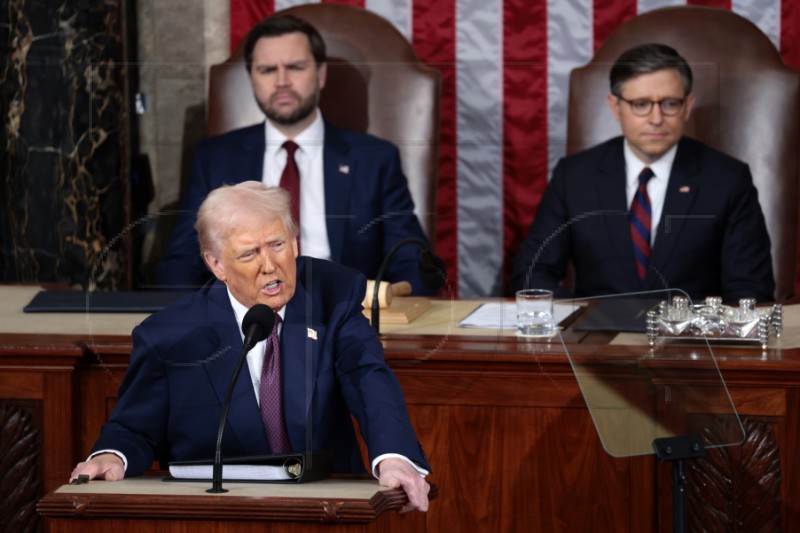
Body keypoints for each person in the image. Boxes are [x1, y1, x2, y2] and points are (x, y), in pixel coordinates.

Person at [72, 182, 430, 513]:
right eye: (248, 254)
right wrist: (112, 457)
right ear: (216, 265)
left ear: (295, 242)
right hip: (219, 515)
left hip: (325, 509)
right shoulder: (169, 336)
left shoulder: (332, 295)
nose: (270, 265)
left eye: (278, 244)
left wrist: (394, 457)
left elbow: (367, 379)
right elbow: (134, 428)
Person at [154, 14, 436, 295]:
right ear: (252, 79)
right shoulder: (215, 158)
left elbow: (413, 262)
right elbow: (182, 260)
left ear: (321, 75)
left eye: (295, 67)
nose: (282, 81)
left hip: (345, 317)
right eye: (267, 70)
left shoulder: (374, 160)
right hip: (247, 321)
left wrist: (387, 301)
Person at [511, 43, 774, 303]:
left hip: (689, 339)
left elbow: (750, 291)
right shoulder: (575, 176)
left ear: (687, 106)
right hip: (597, 338)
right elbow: (532, 274)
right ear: (616, 107)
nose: (656, 118)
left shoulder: (727, 179)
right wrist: (579, 319)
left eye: (670, 103)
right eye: (641, 104)